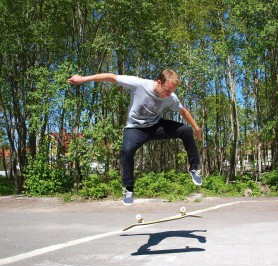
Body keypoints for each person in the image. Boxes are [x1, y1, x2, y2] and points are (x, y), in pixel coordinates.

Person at [67, 70, 202, 205]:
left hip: (156, 126)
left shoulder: (171, 97)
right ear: (159, 83)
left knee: (185, 130)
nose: (168, 95)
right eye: (167, 91)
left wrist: (196, 127)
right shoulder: (139, 84)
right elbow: (111, 77)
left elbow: (182, 110)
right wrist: (83, 79)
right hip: (135, 128)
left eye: (171, 92)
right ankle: (128, 188)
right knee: (127, 150)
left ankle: (194, 168)